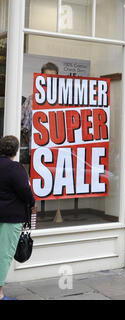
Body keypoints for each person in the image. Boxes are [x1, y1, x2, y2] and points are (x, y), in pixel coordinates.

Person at [0, 135, 36, 300]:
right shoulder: (15, 168)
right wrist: (32, 202)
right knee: (4, 255)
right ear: (15, 151)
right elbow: (25, 191)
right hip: (10, 218)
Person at [20, 62, 59, 164]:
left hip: (59, 153)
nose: (49, 81)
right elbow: (23, 127)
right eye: (46, 77)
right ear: (41, 78)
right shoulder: (32, 100)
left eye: (52, 78)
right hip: (36, 152)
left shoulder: (63, 101)